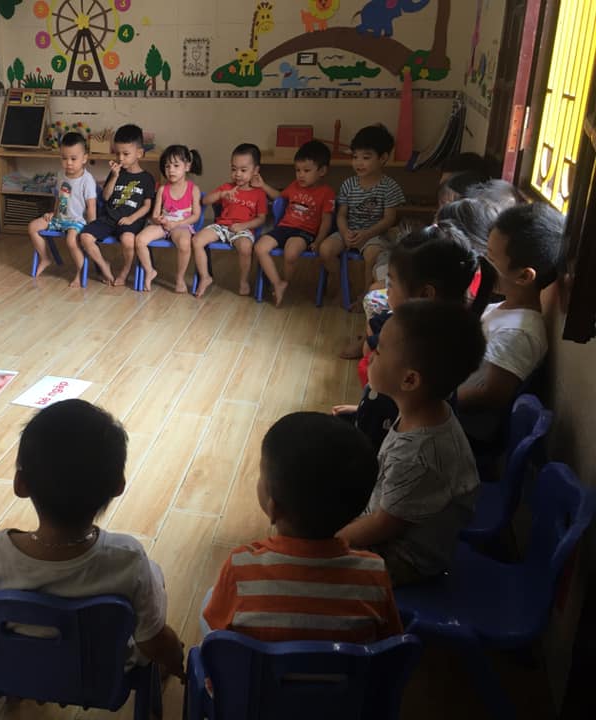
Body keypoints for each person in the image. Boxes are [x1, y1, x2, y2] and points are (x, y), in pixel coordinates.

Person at [0, 399, 185, 678]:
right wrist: (175, 658)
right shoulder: (127, 560)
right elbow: (153, 641)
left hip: (19, 666)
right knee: (153, 574)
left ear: (20, 484)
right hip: (101, 674)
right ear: (118, 485)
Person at [202, 412, 402, 642]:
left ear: (273, 508)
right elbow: (390, 640)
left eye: (261, 475)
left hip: (257, 667)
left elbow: (217, 631)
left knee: (210, 601)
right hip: (343, 667)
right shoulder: (374, 573)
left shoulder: (240, 568)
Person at [337, 300, 486, 585]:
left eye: (379, 351)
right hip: (387, 515)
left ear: (409, 380)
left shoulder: (417, 454)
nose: (370, 355)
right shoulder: (425, 410)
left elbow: (383, 526)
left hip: (404, 557)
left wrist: (330, 543)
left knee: (310, 563)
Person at [333, 224, 495, 451]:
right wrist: (362, 410)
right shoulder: (442, 338)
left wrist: (372, 412)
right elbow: (400, 408)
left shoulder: (415, 352)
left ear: (425, 294)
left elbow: (381, 445)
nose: (371, 356)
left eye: (391, 283)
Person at [458, 202, 564, 444]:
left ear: (524, 276)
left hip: (464, 427)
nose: (483, 264)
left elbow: (491, 394)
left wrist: (436, 395)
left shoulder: (519, 332)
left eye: (491, 259)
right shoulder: (504, 308)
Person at [318, 125, 405, 299]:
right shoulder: (348, 184)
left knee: (372, 254)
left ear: (383, 158)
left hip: (374, 234)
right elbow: (341, 215)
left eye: (366, 157)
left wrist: (366, 234)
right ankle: (341, 281)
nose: (358, 162)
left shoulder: (389, 186)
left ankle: (366, 294)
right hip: (349, 231)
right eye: (355, 157)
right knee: (325, 250)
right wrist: (345, 232)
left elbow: (389, 219)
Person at [254, 140, 336, 306]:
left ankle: (286, 281)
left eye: (306, 170)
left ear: (322, 171)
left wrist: (318, 241)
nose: (300, 175)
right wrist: (263, 186)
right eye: (297, 170)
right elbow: (279, 197)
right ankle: (278, 283)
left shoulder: (327, 193)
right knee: (260, 247)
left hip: (304, 232)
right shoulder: (294, 186)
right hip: (283, 227)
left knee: (291, 253)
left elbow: (326, 221)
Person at [79, 124, 156, 287]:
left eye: (126, 154)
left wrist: (131, 218)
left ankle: (125, 270)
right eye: (117, 153)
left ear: (139, 153)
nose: (120, 158)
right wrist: (114, 176)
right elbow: (106, 197)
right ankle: (104, 266)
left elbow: (147, 206)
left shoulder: (147, 178)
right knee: (85, 237)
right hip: (109, 218)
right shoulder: (116, 173)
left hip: (131, 221)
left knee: (128, 240)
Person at [192, 143, 269, 297]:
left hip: (244, 229)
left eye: (243, 170)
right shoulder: (227, 187)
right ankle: (205, 277)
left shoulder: (259, 193)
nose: (237, 174)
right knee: (196, 240)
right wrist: (221, 195)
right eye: (234, 169)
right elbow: (205, 200)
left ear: (255, 170)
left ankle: (243, 281)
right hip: (222, 226)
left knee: (245, 247)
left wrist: (243, 226)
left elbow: (261, 219)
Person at [29, 132, 98, 286]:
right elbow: (60, 198)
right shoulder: (61, 175)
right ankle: (45, 258)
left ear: (84, 158)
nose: (69, 163)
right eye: (64, 158)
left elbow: (91, 206)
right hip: (59, 218)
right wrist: (53, 213)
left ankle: (80, 273)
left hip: (77, 221)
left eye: (73, 159)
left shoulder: (87, 180)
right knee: (33, 227)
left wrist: (92, 228)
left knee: (71, 241)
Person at [134, 145, 203, 293]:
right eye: (167, 166)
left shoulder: (193, 189)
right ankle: (149, 270)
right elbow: (155, 215)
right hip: (163, 225)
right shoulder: (162, 189)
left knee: (185, 243)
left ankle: (180, 278)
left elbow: (196, 216)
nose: (171, 170)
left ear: (187, 166)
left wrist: (176, 224)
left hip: (181, 225)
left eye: (176, 166)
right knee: (140, 240)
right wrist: (159, 220)